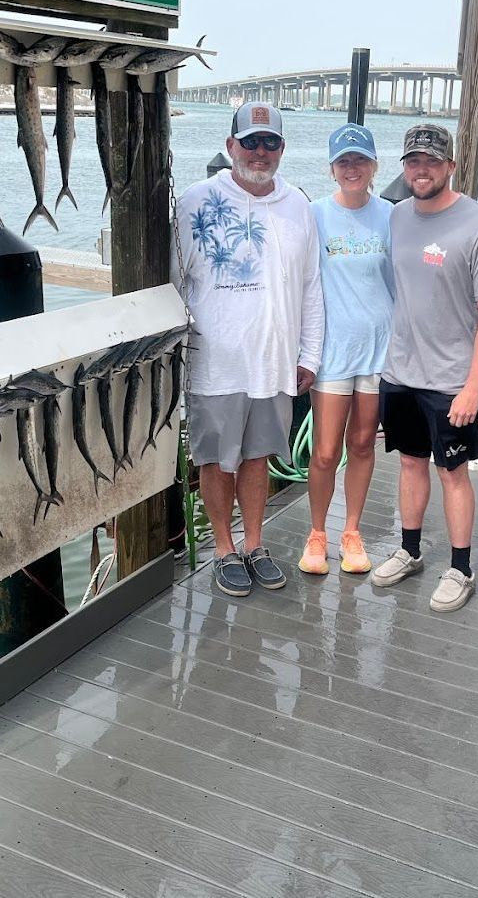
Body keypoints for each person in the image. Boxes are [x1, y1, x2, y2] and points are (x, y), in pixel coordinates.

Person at [171, 102, 324, 598]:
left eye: (270, 142)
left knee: (258, 457)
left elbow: (311, 286)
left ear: (282, 149)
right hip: (214, 362)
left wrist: (310, 354)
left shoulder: (298, 204)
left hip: (274, 360)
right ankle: (222, 548)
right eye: (251, 141)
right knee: (216, 460)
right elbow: (175, 283)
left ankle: (254, 544)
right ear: (230, 145)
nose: (260, 152)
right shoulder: (195, 201)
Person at [370, 123, 478, 612]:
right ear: (405, 167)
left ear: (451, 166)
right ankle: (409, 551)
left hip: (452, 378)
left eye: (432, 161)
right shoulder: (396, 216)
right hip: (401, 371)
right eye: (413, 161)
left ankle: (461, 567)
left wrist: (474, 386)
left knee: (451, 471)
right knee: (409, 463)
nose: (422, 170)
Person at [298, 123, 394, 576]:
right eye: (343, 161)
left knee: (361, 444)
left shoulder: (392, 216)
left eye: (360, 160)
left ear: (374, 166)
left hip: (378, 350)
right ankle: (317, 533)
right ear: (332, 168)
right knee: (324, 451)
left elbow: (405, 283)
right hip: (333, 351)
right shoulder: (314, 214)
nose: (351, 168)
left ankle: (351, 531)